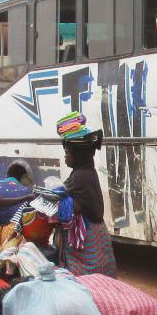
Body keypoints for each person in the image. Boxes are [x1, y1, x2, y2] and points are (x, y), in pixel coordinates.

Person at [55, 112, 118, 277]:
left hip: (87, 235)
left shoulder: (78, 176)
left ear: (77, 155)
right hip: (98, 232)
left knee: (86, 277)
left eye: (67, 152)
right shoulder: (88, 171)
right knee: (103, 275)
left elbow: (67, 200)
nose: (65, 156)